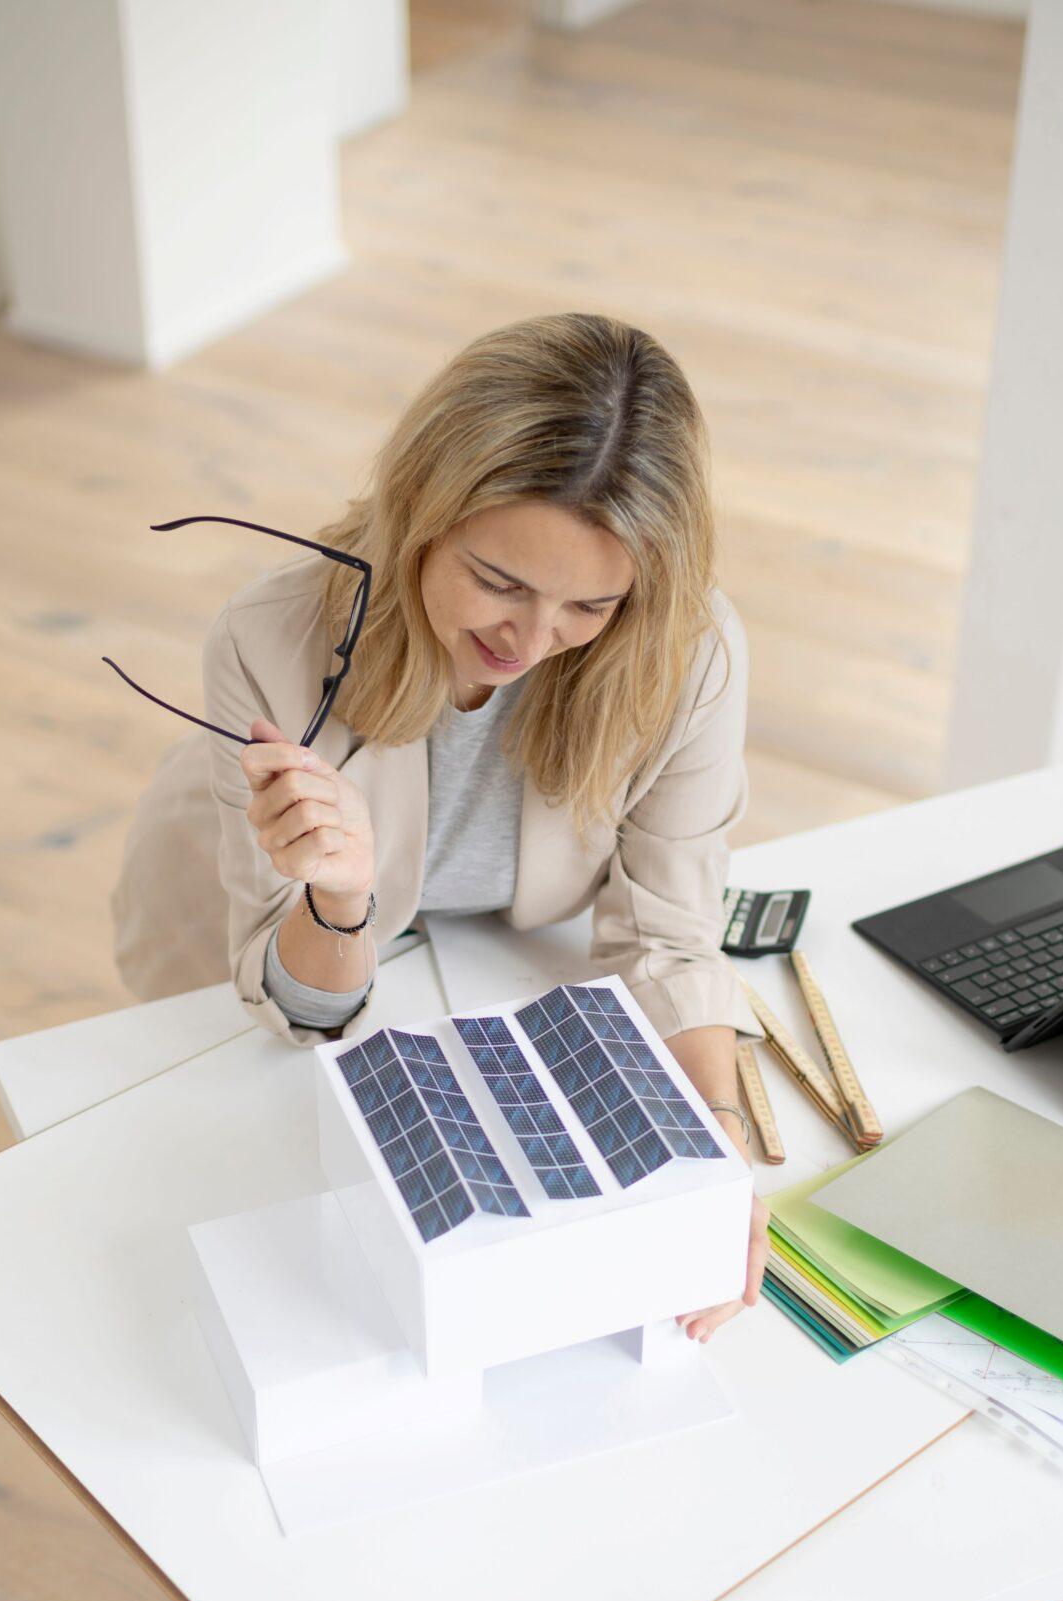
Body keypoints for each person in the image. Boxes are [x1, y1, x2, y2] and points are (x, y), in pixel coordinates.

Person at [113, 312, 763, 1340]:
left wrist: (715, 1149)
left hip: (487, 944)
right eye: (498, 582)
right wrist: (339, 894)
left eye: (587, 607)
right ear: (420, 512)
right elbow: (299, 1013)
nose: (531, 639)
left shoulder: (688, 651)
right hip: (269, 946)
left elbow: (670, 935)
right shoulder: (270, 637)